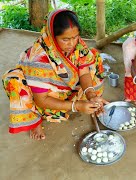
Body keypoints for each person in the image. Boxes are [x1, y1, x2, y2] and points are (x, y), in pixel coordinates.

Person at [2, 9, 108, 140]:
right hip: (44, 97)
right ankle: (35, 121)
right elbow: (41, 100)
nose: (72, 43)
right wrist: (76, 106)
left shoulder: (77, 44)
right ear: (52, 35)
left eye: (75, 37)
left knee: (93, 56)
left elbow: (84, 71)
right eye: (65, 39)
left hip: (67, 88)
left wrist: (91, 94)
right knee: (13, 80)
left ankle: (83, 101)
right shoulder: (38, 58)